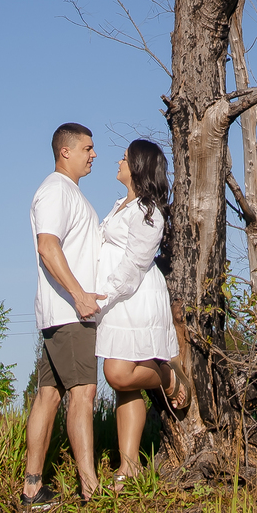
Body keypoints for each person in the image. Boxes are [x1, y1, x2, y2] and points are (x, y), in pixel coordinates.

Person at [94, 138, 191, 487]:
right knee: (125, 389)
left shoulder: (149, 212)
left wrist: (103, 295)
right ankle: (129, 466)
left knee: (117, 373)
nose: (118, 162)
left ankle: (168, 377)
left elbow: (135, 264)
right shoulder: (121, 205)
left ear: (137, 166)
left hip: (134, 298)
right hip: (116, 302)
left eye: (124, 158)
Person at [24, 122, 102, 508]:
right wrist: (80, 296)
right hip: (70, 314)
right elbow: (47, 246)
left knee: (48, 396)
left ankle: (32, 488)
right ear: (65, 151)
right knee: (83, 393)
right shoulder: (56, 190)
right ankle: (90, 490)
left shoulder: (68, 192)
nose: (94, 154)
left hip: (63, 313)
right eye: (87, 148)